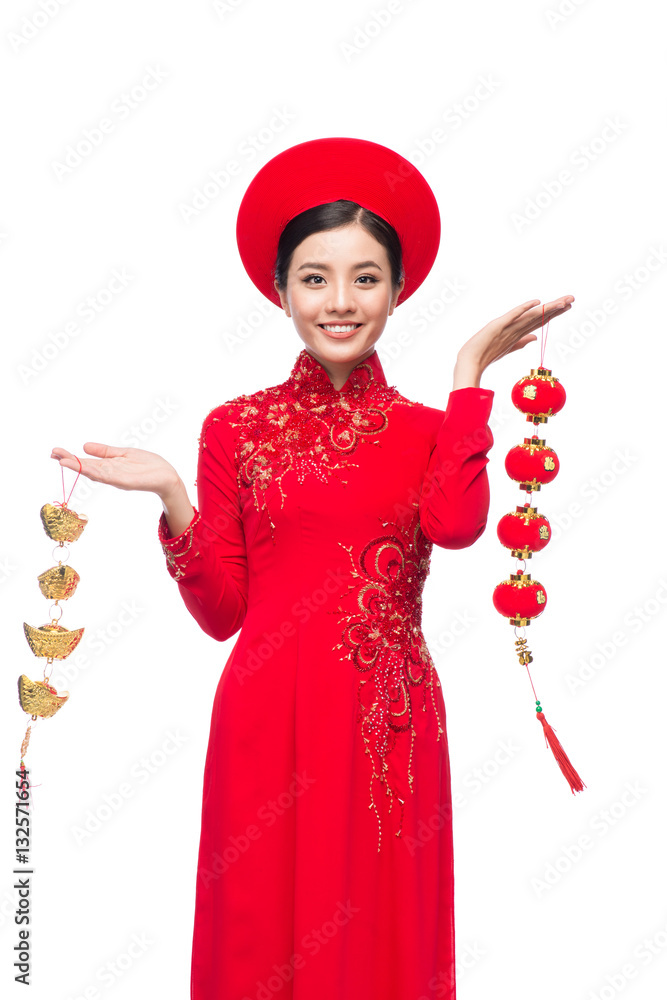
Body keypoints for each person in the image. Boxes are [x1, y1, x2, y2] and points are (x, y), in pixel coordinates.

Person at [51, 138, 574, 1000]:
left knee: (379, 934)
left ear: (398, 291)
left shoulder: (424, 428)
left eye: (365, 278)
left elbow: (456, 526)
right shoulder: (234, 427)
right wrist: (173, 497)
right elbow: (224, 612)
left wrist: (468, 377)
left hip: (385, 715)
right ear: (281, 290)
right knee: (261, 927)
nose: (340, 302)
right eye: (315, 278)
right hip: (267, 708)